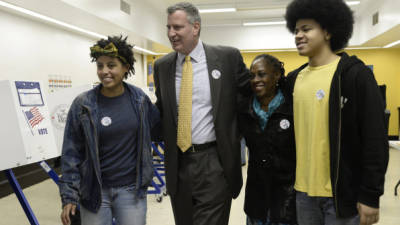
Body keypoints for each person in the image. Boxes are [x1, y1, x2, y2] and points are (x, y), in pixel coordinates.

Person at [284, 0, 389, 225]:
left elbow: (375, 139)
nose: (298, 36)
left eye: (306, 29)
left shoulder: (355, 76)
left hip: (342, 196)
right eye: (296, 30)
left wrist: (370, 194)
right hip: (303, 195)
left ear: (328, 31)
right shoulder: (293, 80)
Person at [153, 2, 251, 225]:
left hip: (214, 162)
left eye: (177, 27)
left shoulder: (226, 58)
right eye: (168, 27)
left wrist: (236, 136)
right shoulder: (163, 66)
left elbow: (248, 100)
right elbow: (161, 111)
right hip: (178, 163)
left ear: (195, 27)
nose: (171, 34)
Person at [59, 35, 160, 225]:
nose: (104, 71)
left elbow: (158, 130)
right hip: (94, 191)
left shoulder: (139, 100)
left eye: (111, 65)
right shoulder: (83, 104)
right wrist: (69, 195)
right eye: (100, 66)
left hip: (131, 190)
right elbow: (71, 152)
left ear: (126, 68)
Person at [238, 54, 297, 225]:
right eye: (252, 75)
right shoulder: (245, 110)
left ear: (277, 75)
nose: (255, 80)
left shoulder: (292, 107)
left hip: (287, 198)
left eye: (262, 74)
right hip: (256, 198)